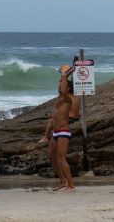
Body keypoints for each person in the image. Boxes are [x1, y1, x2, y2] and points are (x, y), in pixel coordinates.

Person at [48, 64, 76, 192]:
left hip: (64, 131)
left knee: (61, 158)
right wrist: (63, 76)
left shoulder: (67, 99)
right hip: (55, 132)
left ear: (68, 88)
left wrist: (65, 75)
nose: (59, 87)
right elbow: (61, 87)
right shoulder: (58, 99)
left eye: (62, 85)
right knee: (52, 158)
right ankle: (62, 182)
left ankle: (71, 185)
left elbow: (64, 89)